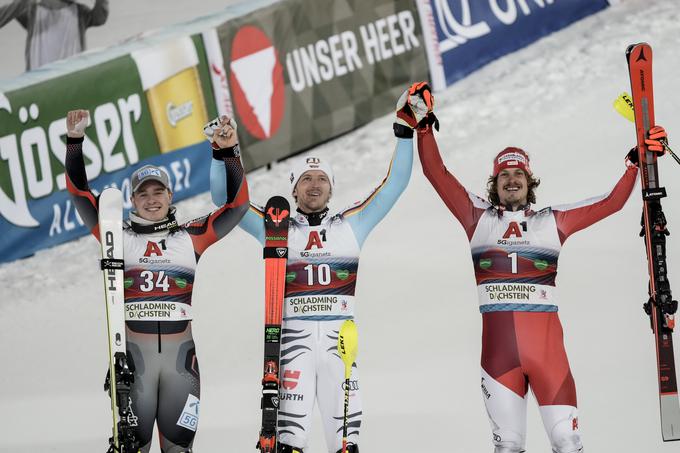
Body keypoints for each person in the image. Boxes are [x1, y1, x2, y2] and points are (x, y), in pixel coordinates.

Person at [416, 106, 668, 453]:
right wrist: (424, 127)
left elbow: (611, 203)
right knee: (508, 447)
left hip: (550, 360)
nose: (512, 179)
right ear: (495, 184)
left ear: (530, 181)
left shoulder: (552, 222)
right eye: (504, 175)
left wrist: (635, 164)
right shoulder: (477, 219)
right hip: (498, 360)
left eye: (519, 173)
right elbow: (436, 172)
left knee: (568, 442)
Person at [209, 83, 431, 453]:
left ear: (332, 189)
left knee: (346, 446)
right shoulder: (275, 227)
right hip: (291, 347)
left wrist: (405, 128)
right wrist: (222, 154)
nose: (314, 185)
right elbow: (224, 201)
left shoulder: (352, 225)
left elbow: (395, 185)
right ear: (293, 190)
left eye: (322, 180)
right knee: (289, 444)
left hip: (338, 349)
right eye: (305, 180)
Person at [65, 110, 249, 453]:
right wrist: (74, 141)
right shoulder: (116, 236)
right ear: (132, 200)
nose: (151, 199)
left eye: (158, 192)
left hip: (183, 365)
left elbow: (238, 206)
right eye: (143, 194)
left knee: (180, 448)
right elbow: (79, 193)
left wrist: (230, 151)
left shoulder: (191, 237)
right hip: (135, 365)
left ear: (170, 196)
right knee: (133, 447)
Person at [0, 0, 109, 71]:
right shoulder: (32, 11)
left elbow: (100, 17)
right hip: (38, 81)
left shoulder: (80, 11)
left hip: (70, 79)